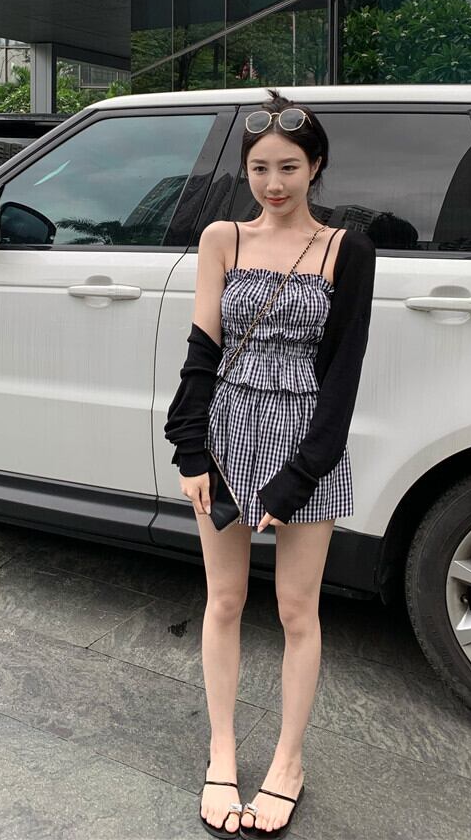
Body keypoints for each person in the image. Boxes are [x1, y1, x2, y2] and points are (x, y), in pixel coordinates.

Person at [164, 89, 376, 840]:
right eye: (260, 168)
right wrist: (190, 447)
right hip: (227, 431)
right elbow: (202, 351)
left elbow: (344, 376)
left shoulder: (347, 249)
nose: (274, 182)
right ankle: (222, 751)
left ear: (315, 167)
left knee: (295, 609)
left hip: (306, 441)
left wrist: (299, 477)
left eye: (289, 166)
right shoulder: (222, 237)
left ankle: (288, 760)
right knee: (223, 601)